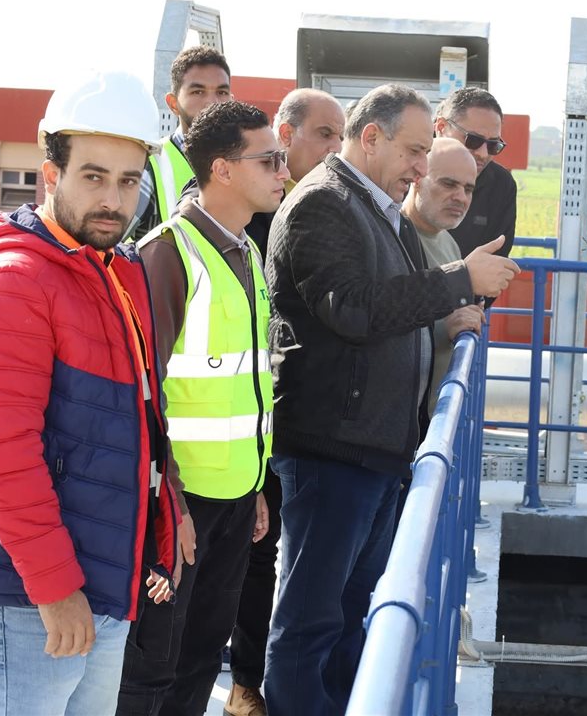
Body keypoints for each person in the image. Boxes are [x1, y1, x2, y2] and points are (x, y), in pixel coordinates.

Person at [263, 83, 519, 716]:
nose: (420, 167)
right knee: (310, 620)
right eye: (413, 151)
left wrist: (446, 301)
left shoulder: (373, 208)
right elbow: (354, 309)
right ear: (371, 137)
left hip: (371, 448)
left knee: (351, 611)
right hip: (331, 448)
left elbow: (391, 306)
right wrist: (460, 280)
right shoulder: (324, 202)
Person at [0, 70, 180, 716]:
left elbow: (138, 420)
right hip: (33, 595)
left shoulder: (117, 272)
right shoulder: (13, 282)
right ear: (51, 174)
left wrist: (168, 513)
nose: (113, 200)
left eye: (128, 181)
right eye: (93, 177)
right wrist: (54, 587)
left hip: (102, 577)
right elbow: (2, 456)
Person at [116, 101, 286, 716]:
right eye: (269, 160)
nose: (283, 171)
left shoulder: (248, 254)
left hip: (236, 497)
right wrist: (173, 505)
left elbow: (249, 385)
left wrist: (256, 486)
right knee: (153, 669)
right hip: (181, 506)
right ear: (223, 169)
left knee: (202, 655)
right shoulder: (168, 254)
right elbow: (142, 395)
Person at [223, 88, 346, 716]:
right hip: (238, 419)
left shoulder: (329, 207)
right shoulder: (251, 214)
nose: (334, 148)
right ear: (286, 133)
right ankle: (245, 686)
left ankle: (257, 682)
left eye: (341, 136)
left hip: (289, 412)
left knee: (279, 557)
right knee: (250, 558)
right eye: (325, 134)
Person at [401, 137, 486, 413]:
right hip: (406, 417)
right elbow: (376, 319)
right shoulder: (393, 238)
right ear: (416, 179)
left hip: (433, 416)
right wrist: (446, 328)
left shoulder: (448, 242)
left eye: (468, 188)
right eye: (448, 184)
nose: (461, 197)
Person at [128, 46, 233, 240]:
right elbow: (109, 243)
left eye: (221, 92)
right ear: (173, 104)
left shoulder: (246, 163)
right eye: (198, 92)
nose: (212, 102)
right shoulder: (150, 164)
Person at [436, 87, 518, 260]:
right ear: (441, 128)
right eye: (473, 140)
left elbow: (497, 261)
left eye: (493, 145)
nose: (483, 153)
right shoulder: (405, 170)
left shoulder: (501, 185)